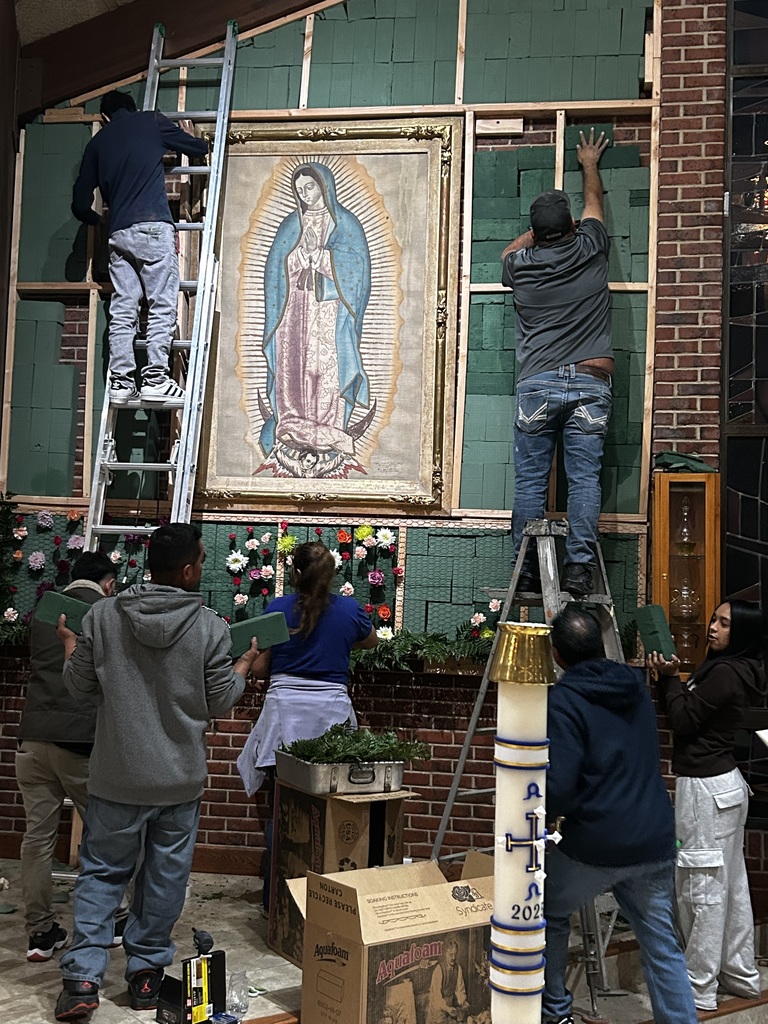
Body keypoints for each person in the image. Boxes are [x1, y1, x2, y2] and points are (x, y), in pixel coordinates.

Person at [54, 523, 260, 1022]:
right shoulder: (211, 628)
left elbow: (79, 688)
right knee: (165, 876)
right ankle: (145, 974)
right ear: (188, 570)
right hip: (178, 779)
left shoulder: (103, 617)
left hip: (116, 775)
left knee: (102, 873)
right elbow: (219, 702)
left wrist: (68, 645)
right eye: (203, 559)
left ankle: (83, 977)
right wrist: (246, 665)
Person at [543, 606, 697, 1024]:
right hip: (654, 836)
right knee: (661, 943)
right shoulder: (634, 684)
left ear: (556, 654)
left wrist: (546, 819)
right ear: (600, 644)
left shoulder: (564, 699)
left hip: (597, 842)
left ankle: (555, 1012)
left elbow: (561, 783)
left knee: (548, 910)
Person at [501, 129, 612, 597]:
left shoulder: (520, 265)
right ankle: (579, 569)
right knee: (583, 480)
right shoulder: (590, 247)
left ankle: (526, 568)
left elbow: (506, 252)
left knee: (531, 482)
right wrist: (588, 162)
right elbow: (593, 207)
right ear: (570, 227)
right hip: (590, 380)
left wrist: (539, 233)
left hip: (538, 385)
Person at [236, 541, 377, 909]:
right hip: (332, 710)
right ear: (332, 575)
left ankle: (276, 900)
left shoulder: (279, 608)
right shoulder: (348, 610)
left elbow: (262, 667)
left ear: (295, 573)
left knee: (281, 807)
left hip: (284, 711)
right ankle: (329, 901)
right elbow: (371, 642)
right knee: (332, 807)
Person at [648, 599, 767, 1012]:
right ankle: (739, 974)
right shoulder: (737, 669)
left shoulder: (727, 675)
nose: (713, 627)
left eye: (725, 624)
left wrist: (669, 678)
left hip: (706, 790)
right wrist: (674, 679)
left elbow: (683, 721)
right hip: (726, 787)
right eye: (715, 619)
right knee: (730, 885)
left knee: (702, 890)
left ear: (744, 633)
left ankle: (697, 987)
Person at [71, 89, 208, 406]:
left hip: (118, 235)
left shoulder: (97, 145)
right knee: (161, 304)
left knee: (123, 309)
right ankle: (156, 380)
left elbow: (79, 203)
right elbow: (195, 147)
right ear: (132, 109)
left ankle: (120, 381)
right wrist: (194, 143)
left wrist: (97, 220)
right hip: (152, 227)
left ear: (105, 117)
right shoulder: (151, 122)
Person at [16, 553, 117, 963]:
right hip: (80, 742)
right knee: (105, 836)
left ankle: (40, 934)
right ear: (107, 583)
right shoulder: (105, 615)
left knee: (36, 840)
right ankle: (113, 920)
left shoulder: (44, 611)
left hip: (34, 738)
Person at [258, 162, 372, 478]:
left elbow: (357, 274)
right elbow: (274, 271)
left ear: (324, 186)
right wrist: (299, 256)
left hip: (329, 311)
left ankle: (328, 426)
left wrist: (320, 256)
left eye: (310, 187)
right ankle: (293, 420)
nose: (306, 194)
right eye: (300, 190)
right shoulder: (290, 225)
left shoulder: (346, 224)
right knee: (293, 366)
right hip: (294, 309)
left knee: (326, 368)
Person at [426, 939, 469, 1024]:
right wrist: (446, 1008)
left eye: (455, 954)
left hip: (450, 1005)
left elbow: (460, 989)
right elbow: (437, 996)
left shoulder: (458, 968)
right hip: (437, 1007)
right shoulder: (439, 970)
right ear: (445, 954)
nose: (453, 958)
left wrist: (462, 1002)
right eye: (450, 955)